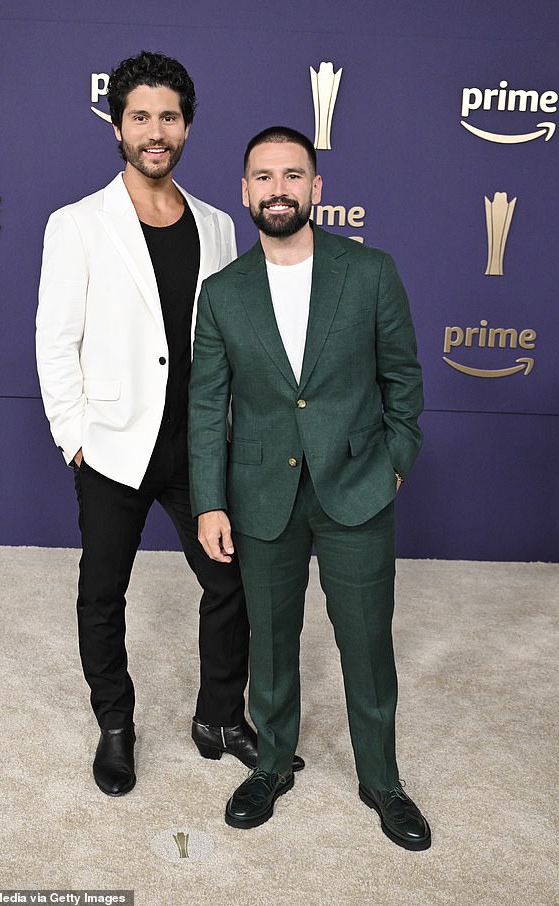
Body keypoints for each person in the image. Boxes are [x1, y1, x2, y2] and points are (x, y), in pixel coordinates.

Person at [36, 53, 303, 797]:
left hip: (200, 446)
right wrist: (76, 439)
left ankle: (220, 716)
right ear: (118, 125)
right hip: (115, 444)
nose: (156, 132)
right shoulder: (78, 224)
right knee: (102, 595)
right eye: (141, 117)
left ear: (187, 126)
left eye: (170, 118)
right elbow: (55, 340)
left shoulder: (219, 225)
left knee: (231, 582)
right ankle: (115, 726)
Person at [188, 126, 430, 850]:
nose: (279, 189)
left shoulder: (371, 272)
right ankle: (269, 764)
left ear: (317, 188)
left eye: (293, 175)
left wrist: (393, 464)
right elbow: (207, 405)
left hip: (357, 487)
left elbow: (404, 385)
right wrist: (208, 500)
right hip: (261, 493)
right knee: (271, 640)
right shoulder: (222, 292)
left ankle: (382, 781)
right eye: (263, 177)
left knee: (366, 644)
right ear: (245, 192)